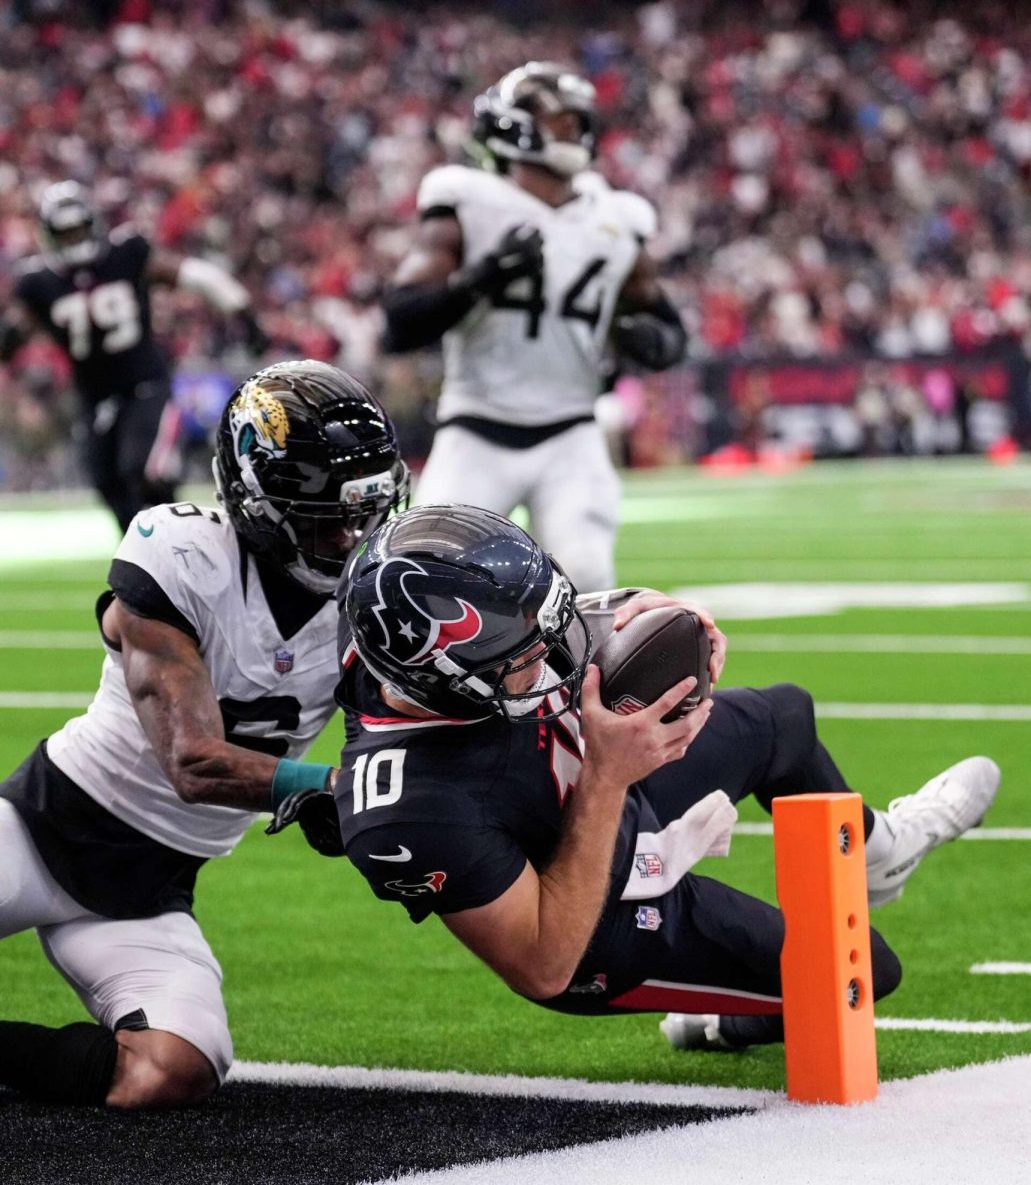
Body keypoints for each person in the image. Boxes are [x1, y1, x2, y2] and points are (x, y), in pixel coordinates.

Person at [270, 504, 999, 1053]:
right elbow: (543, 962)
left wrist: (646, 615)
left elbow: (538, 625)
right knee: (862, 971)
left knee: (784, 719)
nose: (550, 658)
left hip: (590, 773)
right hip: (595, 919)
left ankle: (878, 853)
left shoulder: (395, 618)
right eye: (523, 658)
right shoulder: (405, 814)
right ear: (440, 680)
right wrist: (611, 778)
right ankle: (720, 1021)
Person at [0, 360, 409, 1109]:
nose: (352, 535)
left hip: (150, 892)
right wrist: (317, 787)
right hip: (38, 831)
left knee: (175, 1067)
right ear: (257, 501)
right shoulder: (180, 553)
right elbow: (192, 761)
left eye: (365, 511)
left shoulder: (375, 593)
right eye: (326, 517)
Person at [381, 62, 687, 593]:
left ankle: (574, 681)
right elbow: (401, 322)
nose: (575, 130)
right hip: (475, 429)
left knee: (587, 577)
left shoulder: (613, 217)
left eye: (577, 119)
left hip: (571, 432)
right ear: (513, 126)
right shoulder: (470, 201)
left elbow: (671, 333)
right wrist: (482, 277)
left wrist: (650, 343)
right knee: (425, 580)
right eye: (559, 119)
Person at [0, 180, 268, 533]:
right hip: (94, 398)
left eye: (78, 230)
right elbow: (15, 331)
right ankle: (149, 561)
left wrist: (242, 313)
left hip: (145, 386)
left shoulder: (125, 254)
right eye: (64, 234)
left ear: (94, 224)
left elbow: (195, 276)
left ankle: (187, 539)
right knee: (108, 485)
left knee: (144, 471)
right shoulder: (38, 283)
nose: (73, 240)